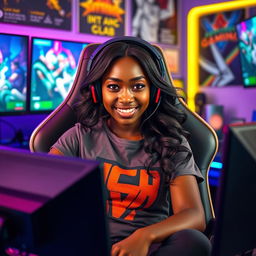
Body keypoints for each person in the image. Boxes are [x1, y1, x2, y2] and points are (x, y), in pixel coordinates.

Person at [49, 37, 211, 256]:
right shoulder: (77, 138)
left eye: (138, 86)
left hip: (150, 249)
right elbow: (46, 199)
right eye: (114, 86)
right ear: (98, 91)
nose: (126, 97)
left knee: (194, 242)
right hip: (91, 246)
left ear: (153, 91)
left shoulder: (172, 143)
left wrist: (144, 236)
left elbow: (193, 214)